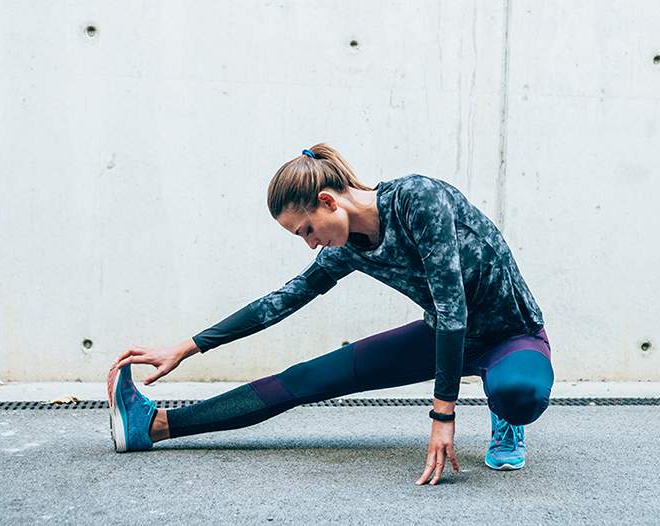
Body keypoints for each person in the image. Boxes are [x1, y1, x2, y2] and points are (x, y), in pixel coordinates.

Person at [107, 143, 554, 485]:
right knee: (305, 378)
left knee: (518, 390)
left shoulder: (418, 199)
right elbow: (281, 301)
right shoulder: (347, 249)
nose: (310, 242)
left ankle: (505, 415)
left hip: (512, 334)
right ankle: (154, 425)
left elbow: (452, 305)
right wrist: (188, 347)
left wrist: (442, 414)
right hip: (444, 336)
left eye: (306, 230)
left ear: (328, 201)